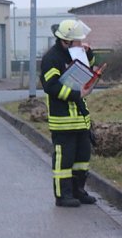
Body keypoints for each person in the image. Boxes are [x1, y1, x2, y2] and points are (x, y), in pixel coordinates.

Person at [40, 19, 97, 208]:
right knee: (64, 162)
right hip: (62, 121)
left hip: (80, 120)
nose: (81, 44)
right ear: (65, 42)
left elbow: (88, 68)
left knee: (82, 160)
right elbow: (51, 86)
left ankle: (78, 191)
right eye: (77, 42)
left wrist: (89, 53)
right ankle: (62, 195)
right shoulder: (52, 59)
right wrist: (76, 94)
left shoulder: (75, 53)